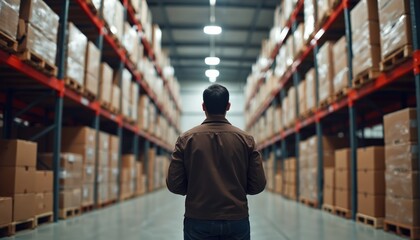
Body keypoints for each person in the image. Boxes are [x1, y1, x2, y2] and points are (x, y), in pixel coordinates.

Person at [167, 83, 266, 240]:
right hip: (236, 219)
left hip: (198, 218)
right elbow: (258, 185)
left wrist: (196, 191)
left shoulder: (186, 140)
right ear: (228, 106)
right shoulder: (246, 140)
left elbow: (174, 184)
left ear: (203, 106)